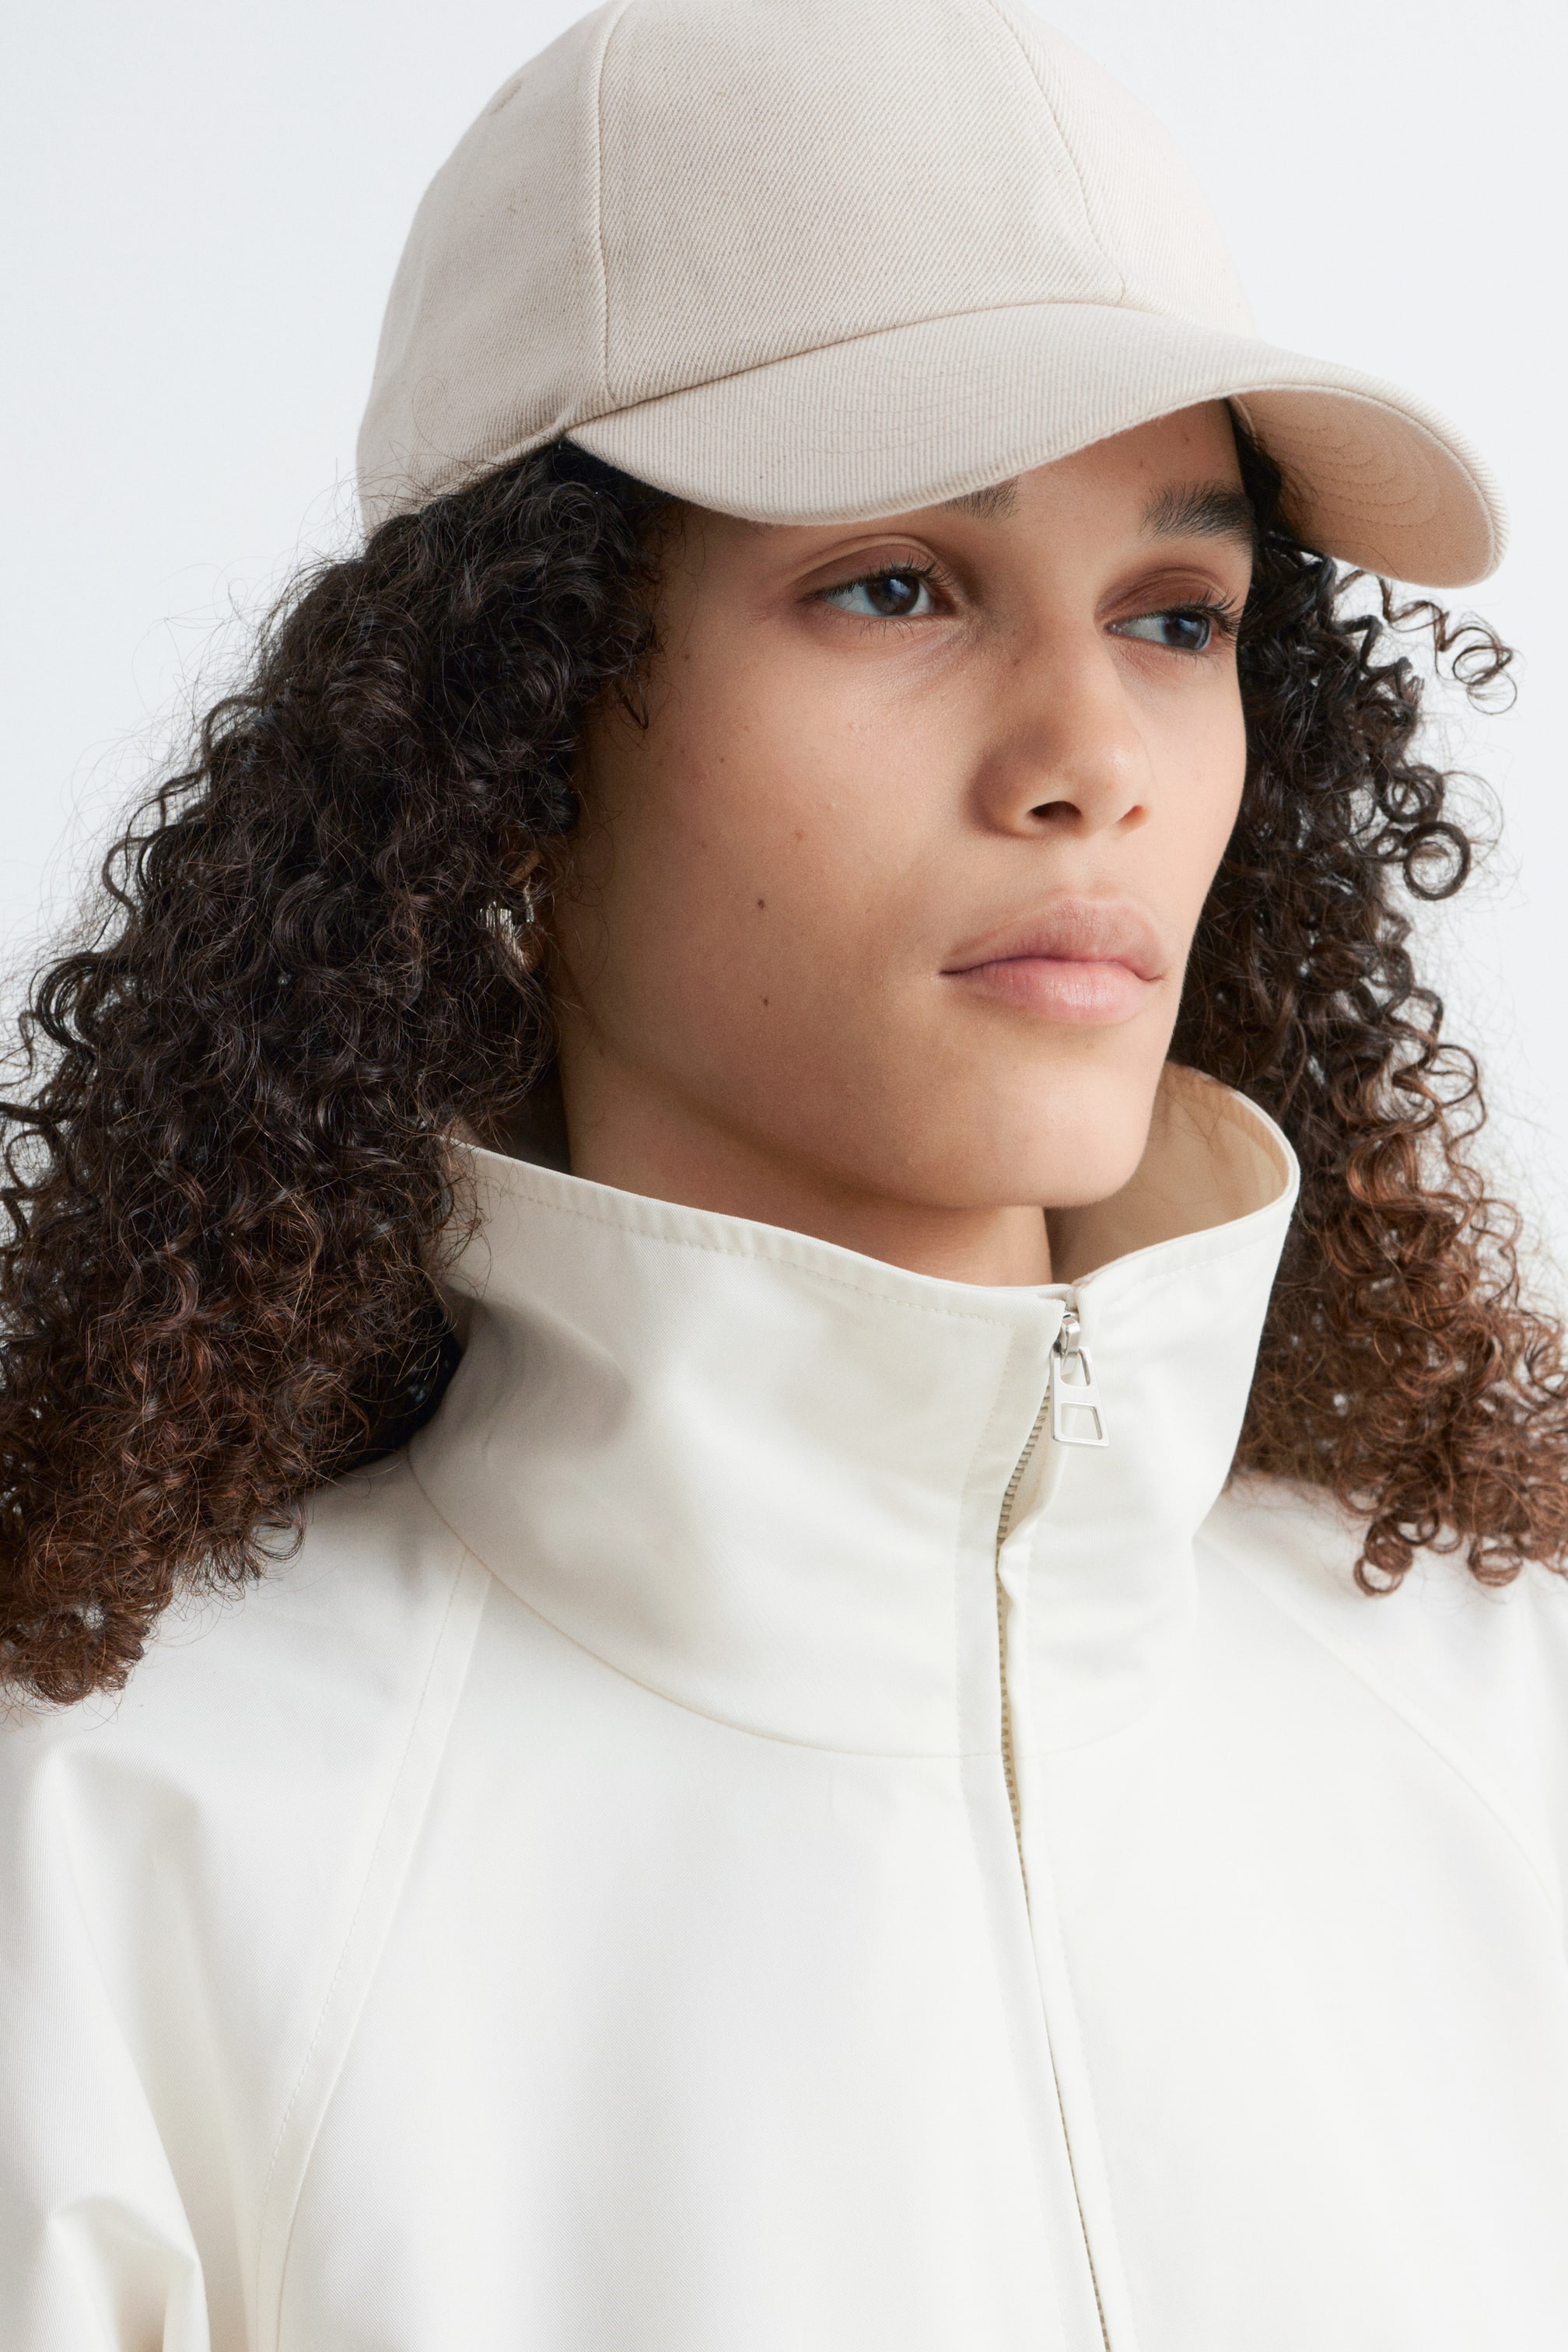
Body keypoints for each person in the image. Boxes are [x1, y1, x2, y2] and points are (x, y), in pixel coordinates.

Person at [3, 1, 1566, 2345]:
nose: (1088, 761)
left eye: (1176, 616)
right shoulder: (130, 1859)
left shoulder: (1503, 1708)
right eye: (895, 585)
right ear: (505, 728)